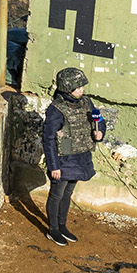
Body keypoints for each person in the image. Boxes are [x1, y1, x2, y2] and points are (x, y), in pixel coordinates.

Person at [41, 67, 105, 246]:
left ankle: (62, 226)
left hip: (80, 155)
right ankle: (53, 230)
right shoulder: (56, 109)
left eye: (82, 87)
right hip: (63, 156)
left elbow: (98, 120)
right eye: (77, 88)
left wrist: (99, 133)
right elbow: (49, 138)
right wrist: (54, 166)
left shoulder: (86, 102)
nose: (81, 90)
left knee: (68, 193)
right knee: (57, 194)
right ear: (67, 88)